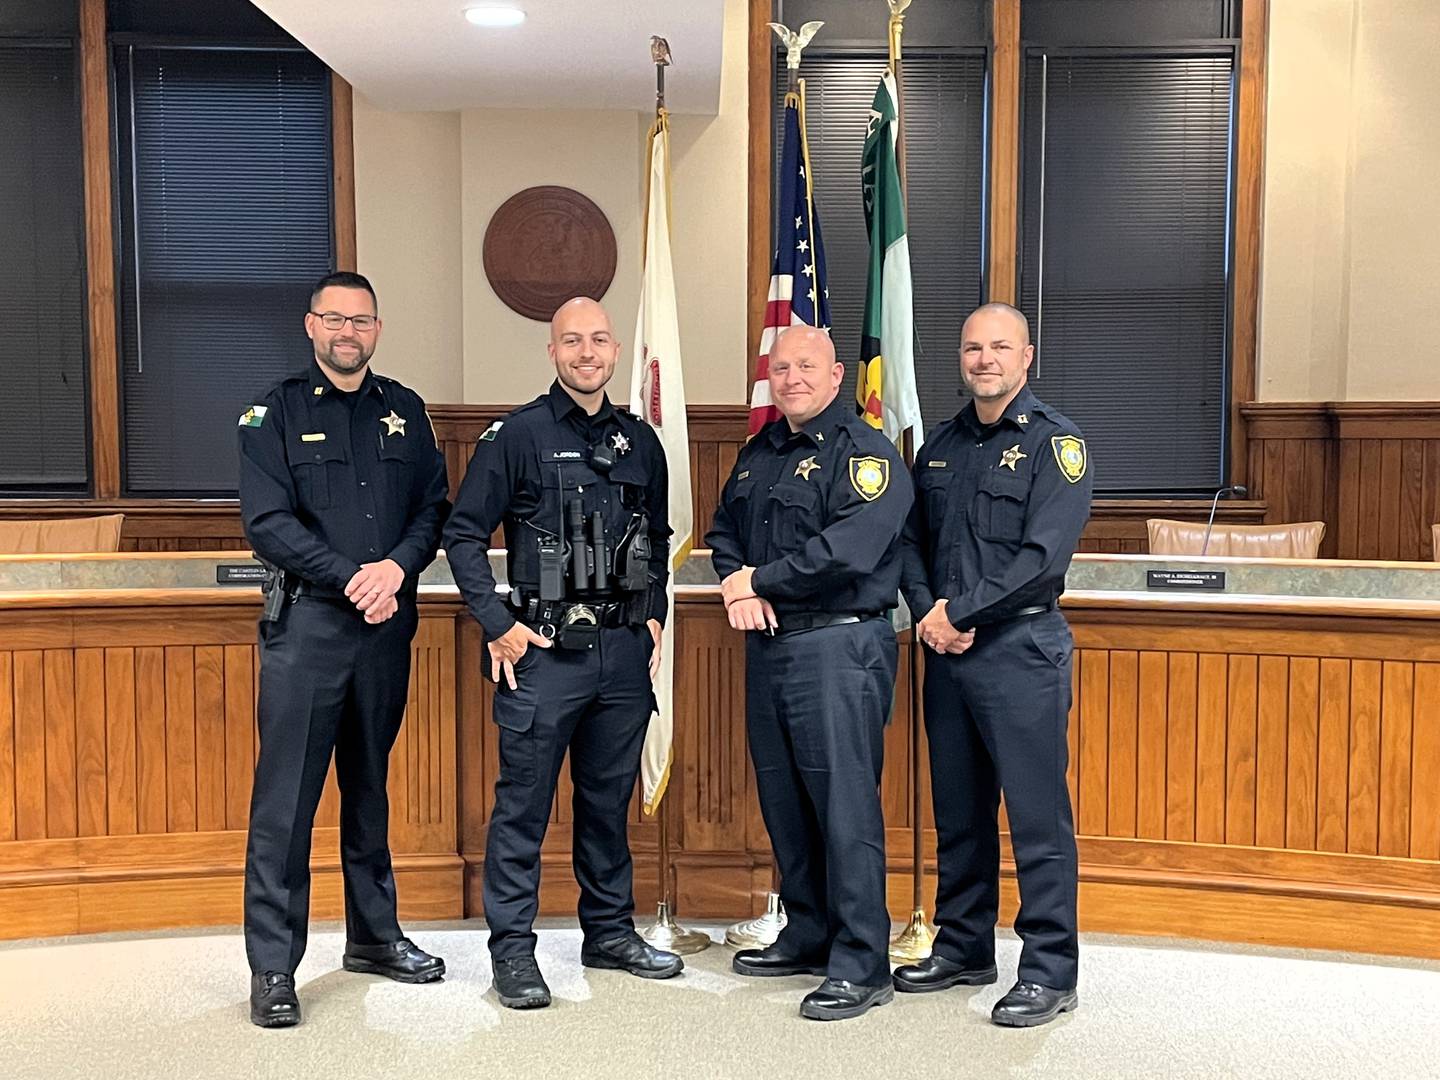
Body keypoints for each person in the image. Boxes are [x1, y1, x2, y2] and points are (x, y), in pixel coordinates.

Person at [443, 297, 680, 1010]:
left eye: (599, 340)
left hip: (622, 653)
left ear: (614, 352)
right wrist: (497, 624)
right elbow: (462, 537)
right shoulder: (517, 435)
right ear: (552, 351)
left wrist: (656, 618)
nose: (586, 352)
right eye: (571, 340)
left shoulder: (642, 443)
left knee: (607, 805)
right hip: (543, 651)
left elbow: (659, 539)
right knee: (524, 807)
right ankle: (513, 953)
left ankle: (608, 933)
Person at [238, 271, 451, 1028]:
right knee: (286, 804)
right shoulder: (274, 415)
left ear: (377, 330)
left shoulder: (407, 411)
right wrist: (354, 578)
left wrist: (395, 569)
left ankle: (375, 937)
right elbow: (267, 522)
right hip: (309, 630)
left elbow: (433, 509)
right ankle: (273, 968)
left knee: (368, 790)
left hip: (387, 626)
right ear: (310, 326)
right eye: (334, 319)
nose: (347, 332)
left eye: (360, 320)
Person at [893, 302, 1093, 1027]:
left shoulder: (1055, 446)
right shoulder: (939, 447)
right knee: (960, 812)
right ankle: (965, 945)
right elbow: (909, 543)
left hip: (1021, 652)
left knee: (1037, 820)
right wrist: (926, 613)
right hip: (946, 653)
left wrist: (959, 614)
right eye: (973, 348)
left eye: (999, 347)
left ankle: (1049, 969)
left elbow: (1042, 562)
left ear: (1027, 356)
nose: (985, 359)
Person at [706, 325, 912, 1021]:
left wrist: (755, 581)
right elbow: (722, 529)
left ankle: (862, 961)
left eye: (807, 366)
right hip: (769, 646)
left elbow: (847, 552)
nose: (792, 376)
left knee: (844, 806)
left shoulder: (866, 455)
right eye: (782, 365)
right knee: (786, 801)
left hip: (838, 646)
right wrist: (739, 581)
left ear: (836, 378)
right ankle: (809, 932)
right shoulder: (759, 452)